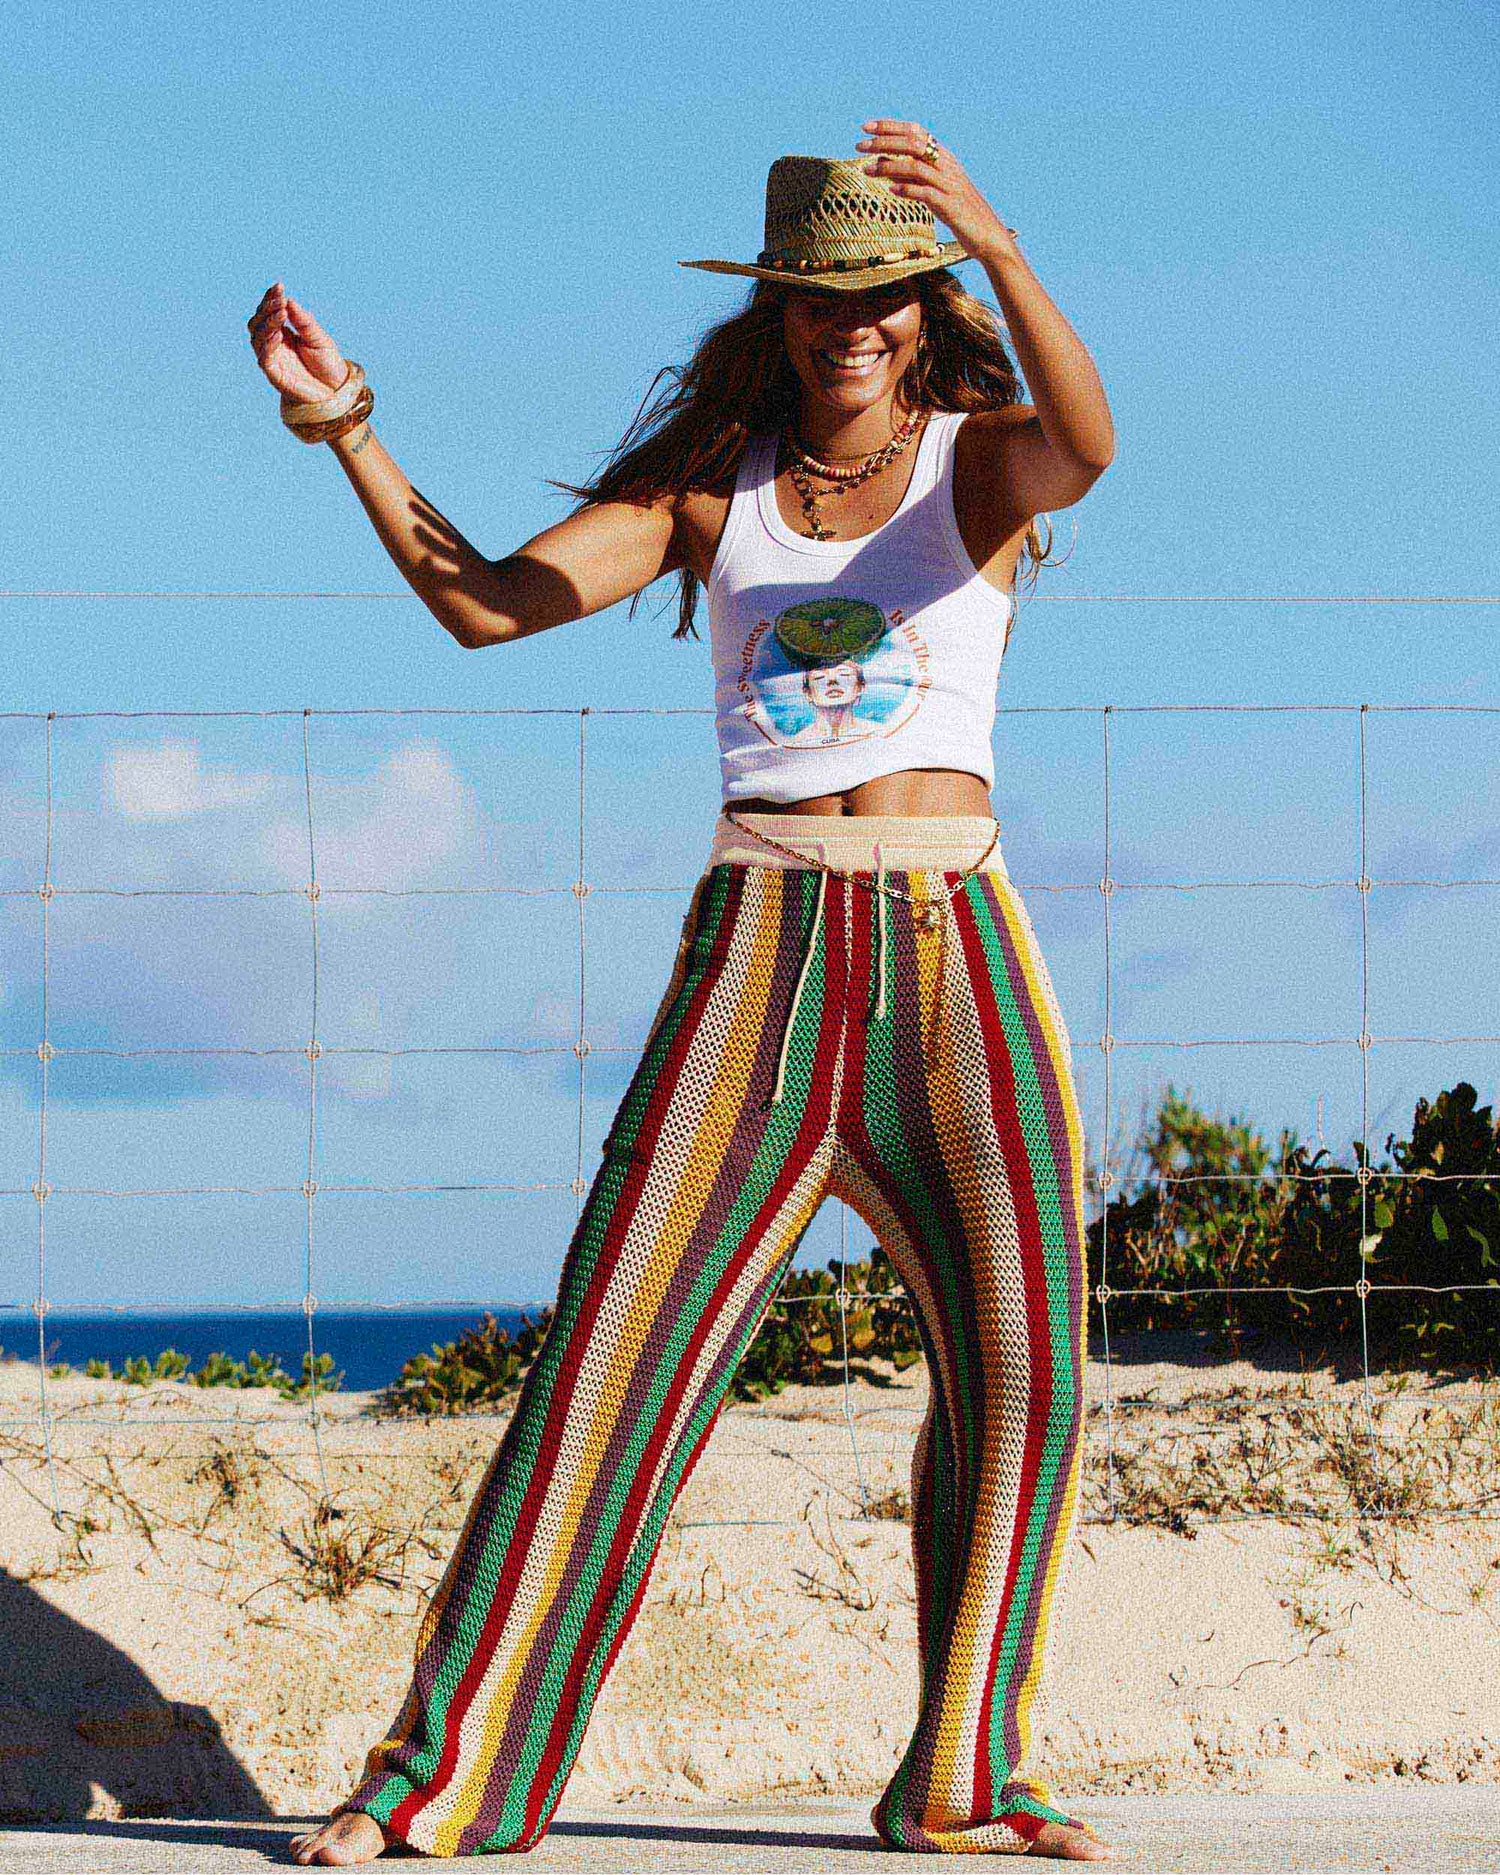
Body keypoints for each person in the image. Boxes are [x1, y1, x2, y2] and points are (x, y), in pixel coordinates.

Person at [253, 123, 1118, 1864]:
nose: (853, 325)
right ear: (782, 315)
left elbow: (1091, 445)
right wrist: (348, 433)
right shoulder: (715, 495)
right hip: (767, 946)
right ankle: (443, 1782)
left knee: (1027, 1361)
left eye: (886, 294)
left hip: (960, 949)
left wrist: (1003, 243)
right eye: (823, 299)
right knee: (611, 1364)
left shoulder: (980, 465)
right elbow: (488, 604)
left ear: (921, 306)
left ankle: (964, 1774)